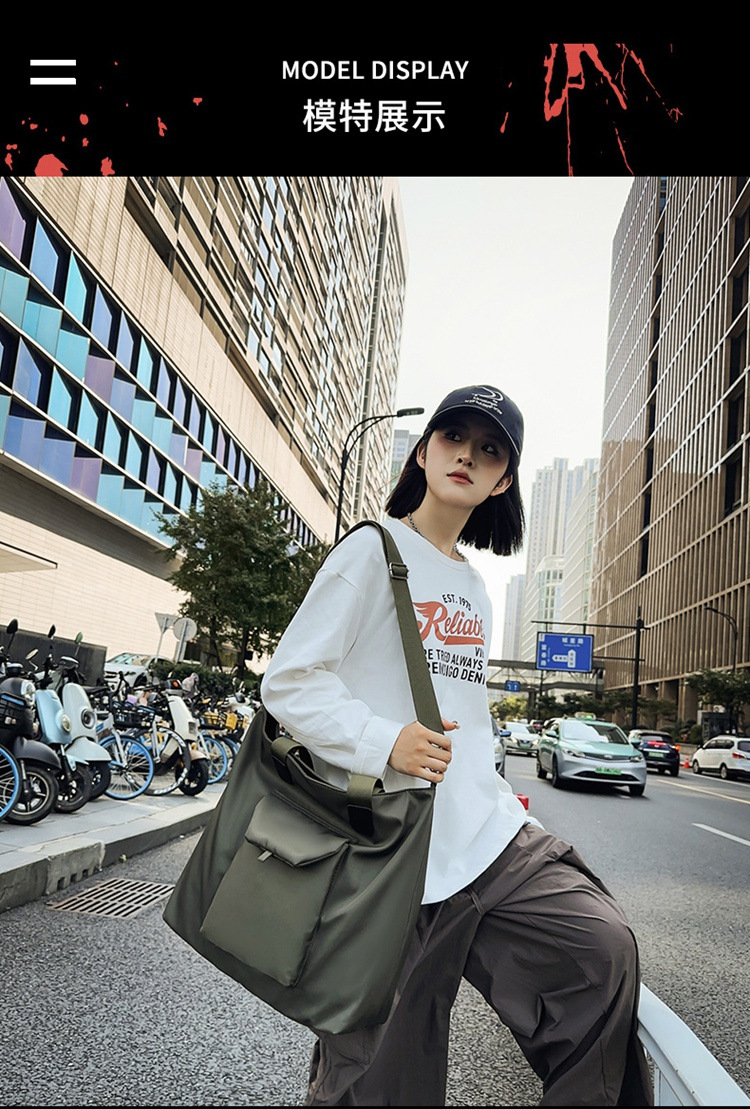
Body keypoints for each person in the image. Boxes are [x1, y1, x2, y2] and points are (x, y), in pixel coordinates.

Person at [261, 384, 653, 1107]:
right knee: (379, 1078)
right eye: (453, 437)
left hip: (485, 839)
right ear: (423, 451)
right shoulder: (370, 551)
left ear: (503, 480)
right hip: (385, 853)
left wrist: (499, 798)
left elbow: (468, 719)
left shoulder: (474, 585)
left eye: (489, 448)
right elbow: (289, 682)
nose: (467, 454)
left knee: (601, 950)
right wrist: (385, 741)